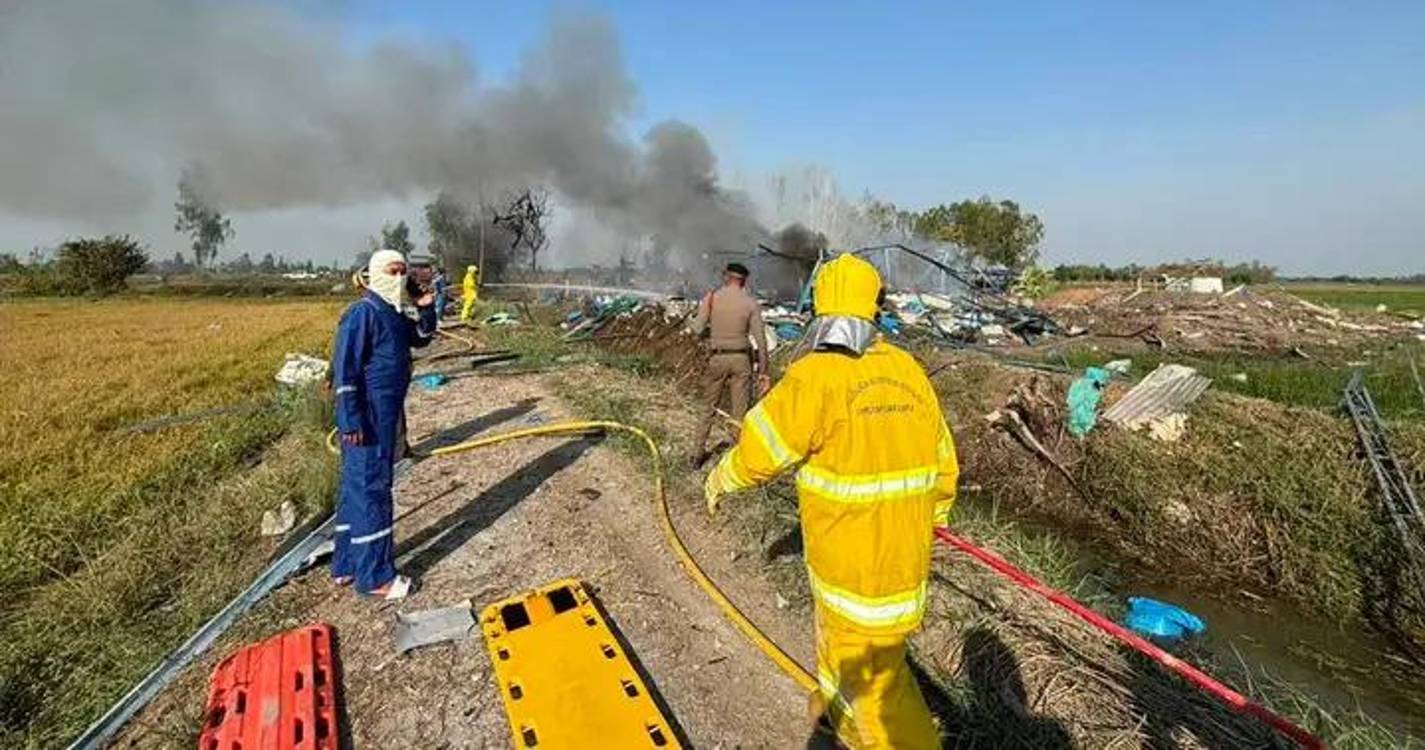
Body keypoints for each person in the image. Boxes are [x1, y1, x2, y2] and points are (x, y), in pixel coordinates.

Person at [703, 253, 959, 749]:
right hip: (905, 569)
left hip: (849, 574)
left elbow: (761, 451)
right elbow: (944, 464)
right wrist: (933, 522)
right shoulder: (908, 371)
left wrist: (719, 479)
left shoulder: (816, 376)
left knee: (877, 694)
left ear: (820, 306)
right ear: (874, 306)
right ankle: (834, 718)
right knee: (856, 659)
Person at [330, 250, 437, 600]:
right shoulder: (362, 314)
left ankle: (347, 564)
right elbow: (344, 374)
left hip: (385, 415)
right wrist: (350, 420)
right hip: (367, 417)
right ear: (375, 274)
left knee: (355, 492)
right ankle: (375, 576)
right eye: (393, 272)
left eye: (403, 272)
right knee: (371, 490)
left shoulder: (390, 314)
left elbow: (421, 336)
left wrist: (424, 305)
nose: (398, 278)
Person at [688, 262, 770, 468]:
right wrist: (764, 371)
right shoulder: (750, 303)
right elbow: (761, 340)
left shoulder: (713, 298)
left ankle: (696, 455)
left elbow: (697, 329)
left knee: (708, 408)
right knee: (739, 413)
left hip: (717, 358)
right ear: (744, 280)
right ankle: (734, 462)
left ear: (726, 276)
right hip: (741, 360)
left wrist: (709, 331)